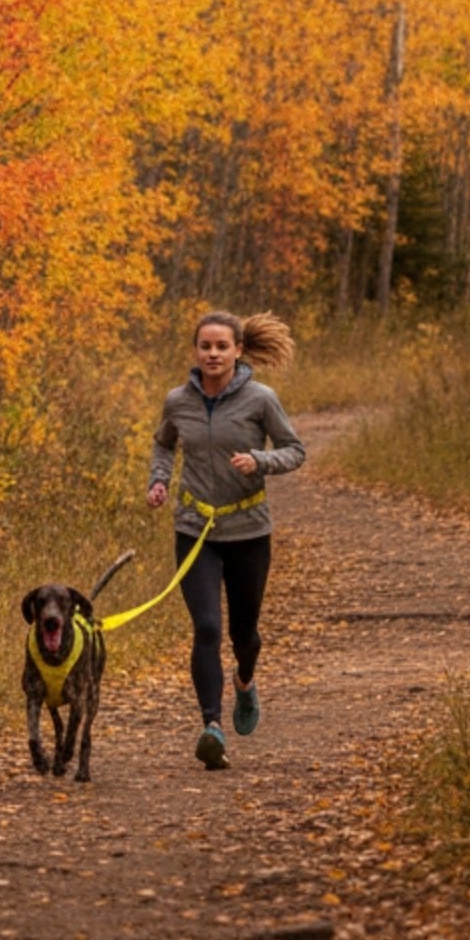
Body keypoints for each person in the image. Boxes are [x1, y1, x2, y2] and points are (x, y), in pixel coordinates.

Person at [146, 309, 305, 771]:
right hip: (195, 530)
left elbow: (295, 450)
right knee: (207, 628)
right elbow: (163, 444)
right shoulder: (178, 401)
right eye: (205, 346)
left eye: (221, 346)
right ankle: (212, 727)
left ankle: (246, 680)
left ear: (238, 350)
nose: (212, 354)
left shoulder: (261, 399)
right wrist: (159, 480)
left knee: (243, 635)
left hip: (249, 530)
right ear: (195, 351)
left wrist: (260, 460)